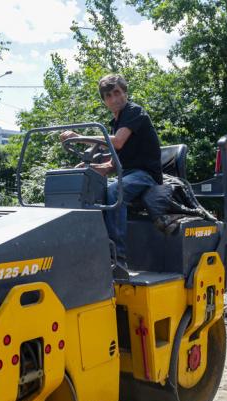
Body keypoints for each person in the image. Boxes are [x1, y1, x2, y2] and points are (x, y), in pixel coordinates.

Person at [60, 74, 162, 276]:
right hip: (127, 173)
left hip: (146, 175)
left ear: (125, 92)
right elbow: (113, 164)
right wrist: (89, 168)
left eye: (117, 92)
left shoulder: (134, 112)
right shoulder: (116, 122)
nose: (114, 98)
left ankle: (117, 259)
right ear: (104, 101)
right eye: (108, 95)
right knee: (91, 188)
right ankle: (90, 248)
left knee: (115, 192)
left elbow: (118, 142)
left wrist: (80, 137)